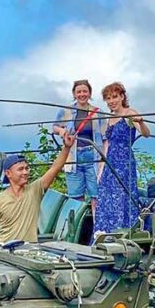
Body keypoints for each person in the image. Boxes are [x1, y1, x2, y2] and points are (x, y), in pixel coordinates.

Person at [0, 133, 76, 246]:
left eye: (27, 168)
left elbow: (55, 168)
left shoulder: (35, 190)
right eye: (20, 169)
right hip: (4, 252)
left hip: (29, 251)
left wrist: (67, 147)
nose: (25, 172)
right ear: (8, 173)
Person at [95, 82, 150, 235]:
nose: (111, 101)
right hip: (110, 162)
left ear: (122, 97)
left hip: (124, 162)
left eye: (114, 97)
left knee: (122, 197)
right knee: (106, 198)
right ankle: (105, 233)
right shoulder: (109, 119)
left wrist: (141, 121)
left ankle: (123, 233)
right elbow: (107, 145)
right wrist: (100, 170)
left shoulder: (129, 113)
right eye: (108, 98)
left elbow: (145, 133)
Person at [53, 80, 105, 213]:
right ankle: (77, 229)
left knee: (97, 196)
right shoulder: (67, 111)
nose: (82, 94)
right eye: (79, 92)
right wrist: (62, 131)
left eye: (85, 91)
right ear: (74, 94)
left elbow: (105, 137)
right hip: (73, 157)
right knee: (76, 198)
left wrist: (103, 160)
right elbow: (55, 126)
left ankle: (97, 229)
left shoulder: (98, 113)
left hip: (93, 156)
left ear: (89, 93)